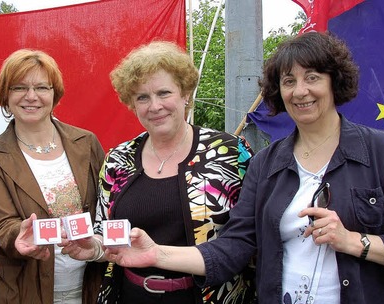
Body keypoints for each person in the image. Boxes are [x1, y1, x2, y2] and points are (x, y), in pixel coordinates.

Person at [102, 32, 384, 304]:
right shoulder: (267, 163)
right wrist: (156, 253)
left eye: (312, 77)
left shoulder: (383, 151)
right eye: (288, 81)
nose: (301, 91)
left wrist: (355, 241)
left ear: (334, 82)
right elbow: (233, 247)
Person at [60, 41, 257, 304]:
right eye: (142, 97)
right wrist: (92, 248)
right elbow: (104, 233)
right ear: (132, 103)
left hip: (211, 296)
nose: (155, 106)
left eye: (164, 93)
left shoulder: (230, 152)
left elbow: (251, 236)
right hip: (129, 296)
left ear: (185, 93)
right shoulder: (118, 159)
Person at [0, 49, 105, 304]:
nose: (31, 97)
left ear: (54, 94)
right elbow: (0, 226)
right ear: (5, 96)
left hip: (88, 286)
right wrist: (18, 234)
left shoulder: (86, 142)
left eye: (42, 87)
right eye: (19, 87)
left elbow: (107, 207)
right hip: (21, 291)